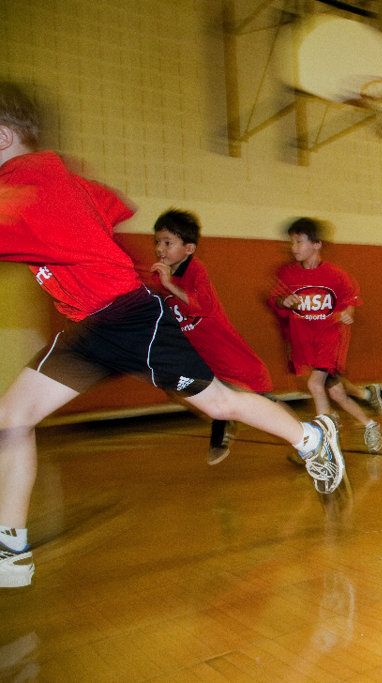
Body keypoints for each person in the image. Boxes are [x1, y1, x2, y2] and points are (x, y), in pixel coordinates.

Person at [0, 83, 343, 587]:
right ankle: (10, 547)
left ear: (3, 136)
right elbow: (114, 203)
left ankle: (313, 437)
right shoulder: (48, 177)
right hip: (93, 325)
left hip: (132, 319)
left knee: (221, 405)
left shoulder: (27, 186)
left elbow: (64, 211)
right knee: (11, 417)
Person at [151, 208, 279, 464]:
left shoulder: (195, 269)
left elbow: (203, 306)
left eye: (168, 243)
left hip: (226, 353)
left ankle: (311, 439)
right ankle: (221, 422)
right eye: (157, 242)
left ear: (189, 248)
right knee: (173, 387)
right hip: (200, 356)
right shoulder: (160, 277)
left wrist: (169, 286)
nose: (160, 249)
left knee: (263, 406)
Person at [270, 218, 382, 454]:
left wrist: (347, 312)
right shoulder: (288, 274)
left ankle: (323, 444)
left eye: (299, 242)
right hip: (305, 341)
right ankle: (370, 425)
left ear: (317, 244)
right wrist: (285, 301)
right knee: (336, 393)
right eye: (292, 242)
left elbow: (350, 296)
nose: (294, 248)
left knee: (314, 383)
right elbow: (276, 300)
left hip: (330, 338)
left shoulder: (335, 274)